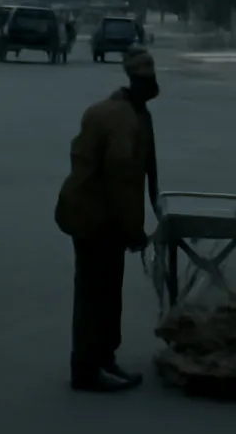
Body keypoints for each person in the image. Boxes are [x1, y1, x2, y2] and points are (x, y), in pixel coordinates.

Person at [54, 47, 159, 393]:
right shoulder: (124, 120)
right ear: (138, 81)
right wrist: (133, 230)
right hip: (98, 218)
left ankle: (102, 359)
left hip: (87, 213)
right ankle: (88, 369)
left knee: (103, 292)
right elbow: (122, 180)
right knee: (97, 295)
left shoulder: (113, 110)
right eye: (149, 79)